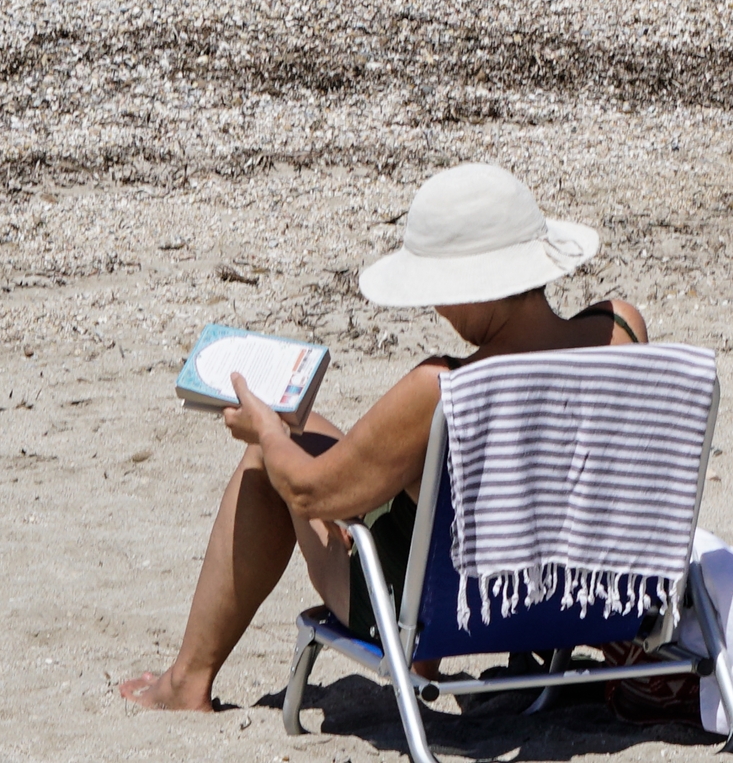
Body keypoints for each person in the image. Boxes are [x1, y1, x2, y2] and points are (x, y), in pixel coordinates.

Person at [120, 162, 647, 711]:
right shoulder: (622, 332)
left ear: (472, 286)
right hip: (578, 601)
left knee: (267, 460)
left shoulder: (442, 390)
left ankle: (186, 682)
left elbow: (307, 492)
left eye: (438, 289)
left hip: (439, 611)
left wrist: (266, 429)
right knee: (349, 451)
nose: (435, 307)